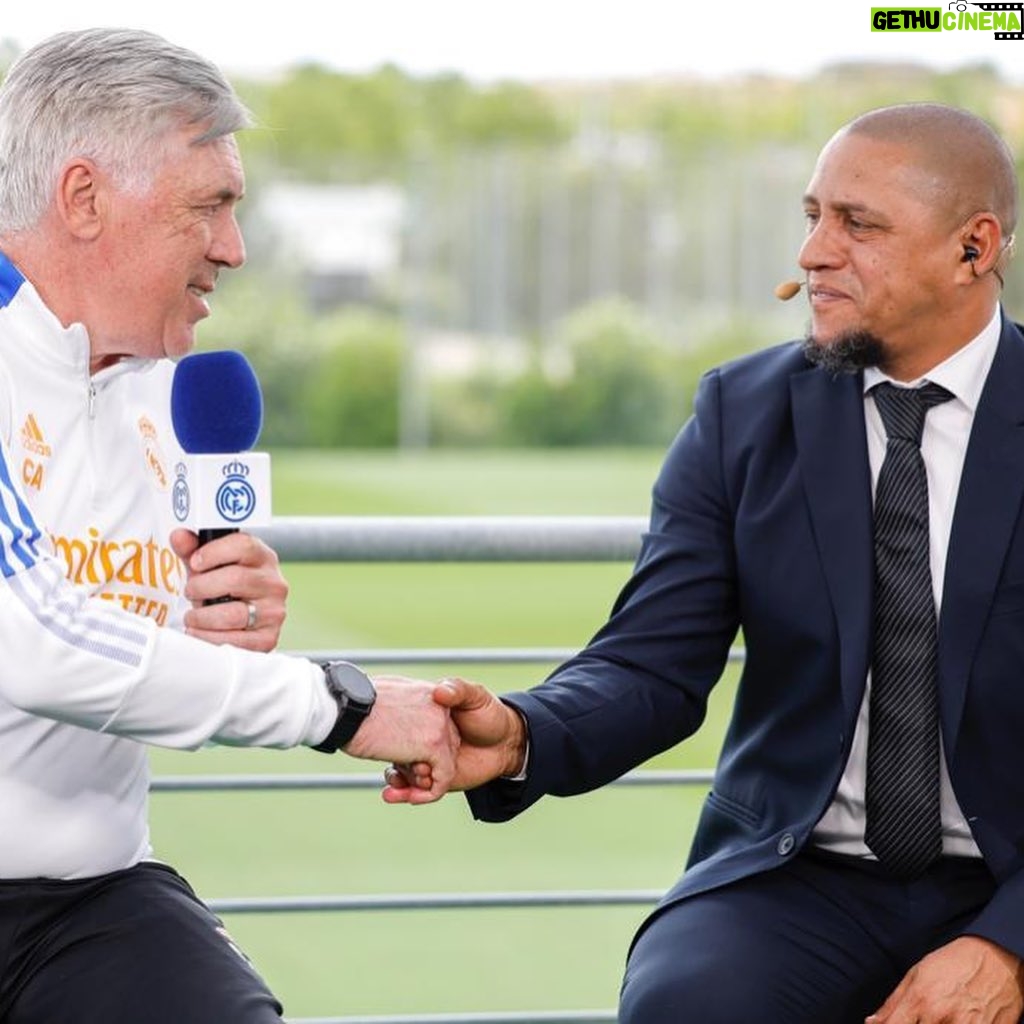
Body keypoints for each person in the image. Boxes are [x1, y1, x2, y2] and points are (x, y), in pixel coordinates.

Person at [387, 101, 1024, 1023]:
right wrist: (522, 733)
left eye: (857, 224)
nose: (812, 253)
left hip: (1011, 879)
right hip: (799, 876)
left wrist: (1007, 944)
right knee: (688, 1002)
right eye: (812, 216)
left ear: (975, 247)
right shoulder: (743, 414)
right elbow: (652, 664)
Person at [0, 28, 454, 1024]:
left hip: (88, 898)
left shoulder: (178, 392)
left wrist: (218, 620)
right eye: (210, 205)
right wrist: (337, 705)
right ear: (82, 199)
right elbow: (29, 644)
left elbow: (116, 636)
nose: (234, 249)